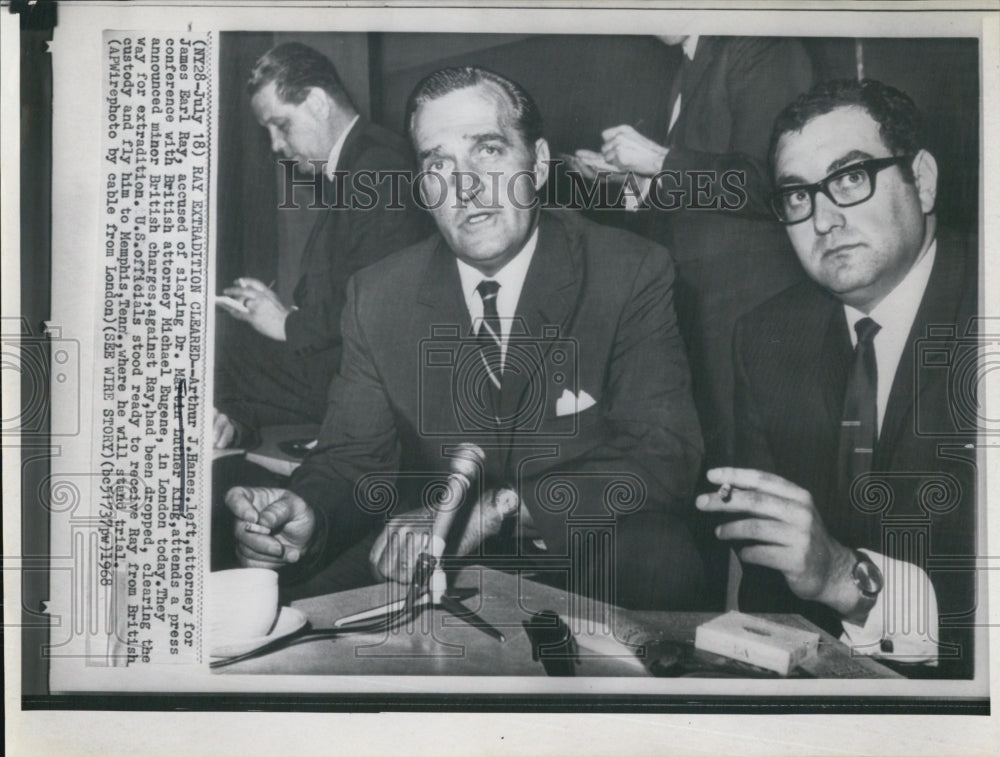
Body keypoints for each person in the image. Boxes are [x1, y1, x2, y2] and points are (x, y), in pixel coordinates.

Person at [223, 66, 705, 610]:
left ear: (539, 165)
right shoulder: (378, 295)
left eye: (490, 150)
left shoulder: (630, 271)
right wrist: (309, 515)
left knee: (663, 562)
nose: (465, 186)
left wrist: (497, 511)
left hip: (583, 547)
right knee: (297, 620)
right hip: (430, 556)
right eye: (438, 164)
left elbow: (664, 457)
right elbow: (351, 461)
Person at [698, 79, 977, 677]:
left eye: (850, 178)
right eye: (797, 196)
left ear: (922, 181)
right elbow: (767, 590)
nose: (823, 219)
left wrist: (846, 579)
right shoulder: (766, 336)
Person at [578, 36, 813, 469]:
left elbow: (773, 183)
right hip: (705, 311)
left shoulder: (758, 40)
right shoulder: (690, 61)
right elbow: (704, 197)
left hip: (750, 310)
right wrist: (628, 183)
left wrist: (660, 160)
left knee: (757, 466)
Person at [214, 42, 426, 447]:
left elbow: (380, 314)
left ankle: (230, 428)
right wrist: (285, 314)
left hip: (373, 386)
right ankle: (231, 425)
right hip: (353, 369)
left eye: (282, 125)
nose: (276, 145)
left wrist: (286, 323)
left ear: (315, 102)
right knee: (231, 345)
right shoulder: (365, 161)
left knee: (220, 343)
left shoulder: (376, 167)